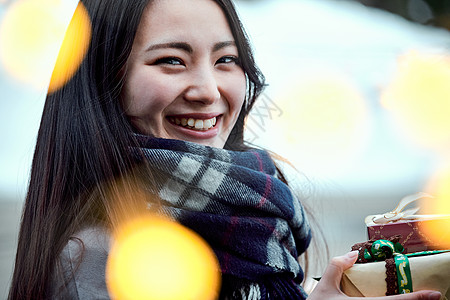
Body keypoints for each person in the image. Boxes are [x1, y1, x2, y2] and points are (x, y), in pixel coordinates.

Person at [8, 0, 442, 299]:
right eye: (171, 61)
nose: (207, 90)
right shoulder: (102, 253)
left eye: (225, 60)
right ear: (107, 80)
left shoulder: (258, 207)